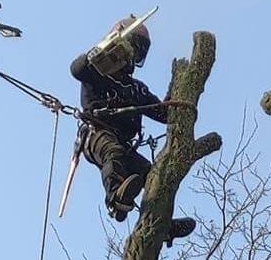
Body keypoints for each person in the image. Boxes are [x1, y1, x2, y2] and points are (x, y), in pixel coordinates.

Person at [70, 15, 196, 244]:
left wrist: (177, 84)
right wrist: (101, 49)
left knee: (154, 174)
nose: (134, 55)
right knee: (113, 152)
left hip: (124, 145)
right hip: (97, 134)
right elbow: (77, 69)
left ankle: (161, 223)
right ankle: (116, 199)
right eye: (134, 47)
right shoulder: (96, 72)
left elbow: (163, 113)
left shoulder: (135, 89)